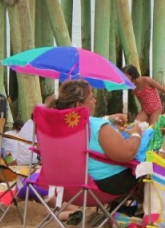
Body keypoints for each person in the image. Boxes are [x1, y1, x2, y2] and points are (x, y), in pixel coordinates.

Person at [51, 79, 141, 220]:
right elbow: (128, 153)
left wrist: (108, 118)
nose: (95, 101)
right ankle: (135, 211)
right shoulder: (98, 127)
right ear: (79, 105)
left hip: (64, 188)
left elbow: (85, 124)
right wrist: (137, 134)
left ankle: (119, 209)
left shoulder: (55, 127)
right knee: (144, 167)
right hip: (100, 186)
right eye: (91, 97)